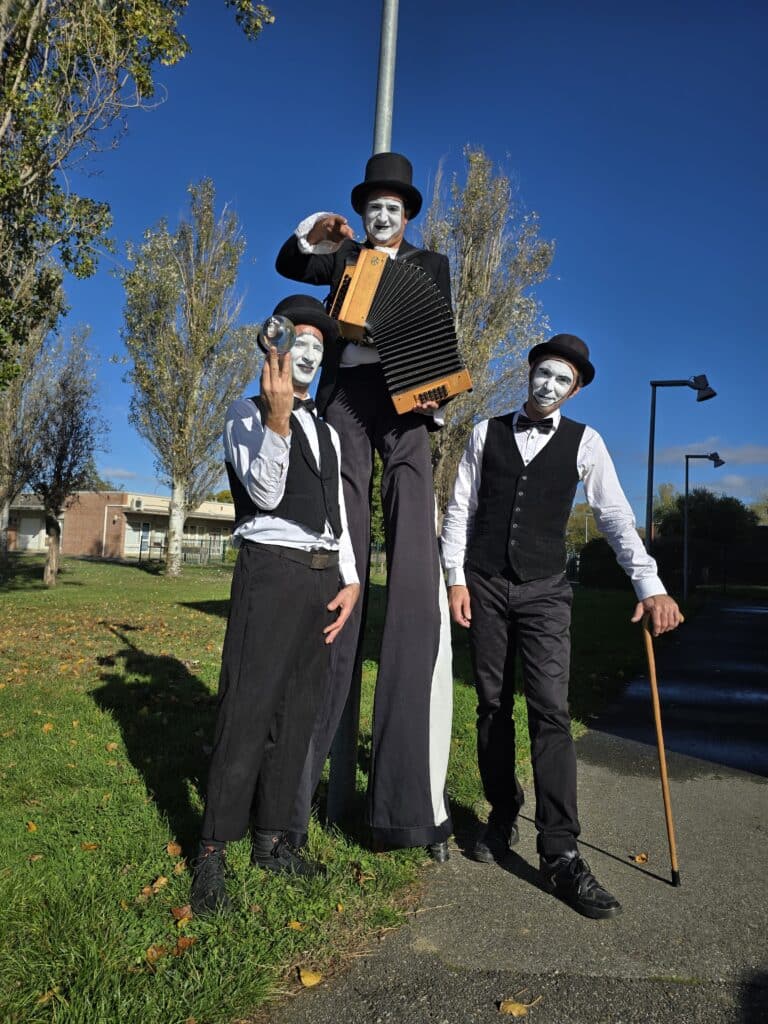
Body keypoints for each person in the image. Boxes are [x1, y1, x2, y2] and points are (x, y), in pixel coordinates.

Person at [440, 333, 682, 919]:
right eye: (544, 372)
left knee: (550, 711)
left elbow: (615, 516)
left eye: (562, 380)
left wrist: (648, 584)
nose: (549, 384)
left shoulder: (586, 441)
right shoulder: (485, 433)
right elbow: (460, 508)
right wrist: (455, 578)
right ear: (530, 373)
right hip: (486, 584)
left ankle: (560, 851)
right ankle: (502, 813)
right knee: (492, 705)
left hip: (546, 591)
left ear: (574, 391)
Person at [275, 152, 454, 860]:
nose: (382, 216)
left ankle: (404, 809)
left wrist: (435, 396)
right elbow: (292, 265)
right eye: (373, 207)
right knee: (342, 553)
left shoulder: (431, 264)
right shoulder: (344, 257)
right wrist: (311, 231)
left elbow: (439, 329)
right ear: (364, 213)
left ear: (406, 215)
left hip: (405, 404)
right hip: (347, 399)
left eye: (392, 208)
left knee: (412, 569)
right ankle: (293, 800)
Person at [190, 295, 360, 915]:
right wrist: (279, 420)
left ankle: (272, 840)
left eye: (319, 346)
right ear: (277, 348)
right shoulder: (246, 412)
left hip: (321, 579)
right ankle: (213, 849)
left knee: (297, 715)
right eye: (299, 342)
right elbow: (263, 493)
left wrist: (349, 579)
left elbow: (337, 515)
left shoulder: (331, 433)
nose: (309, 354)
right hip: (271, 570)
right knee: (248, 707)